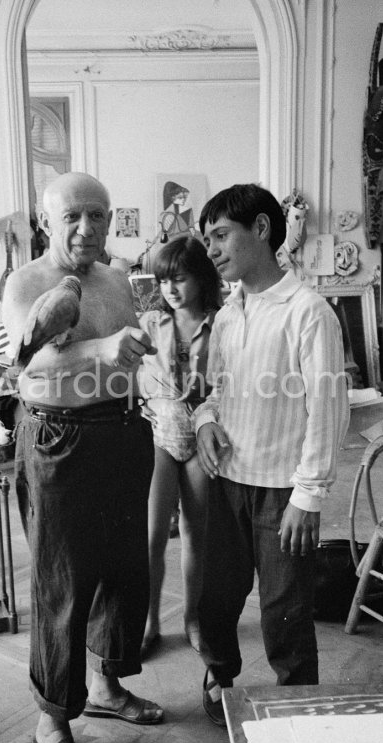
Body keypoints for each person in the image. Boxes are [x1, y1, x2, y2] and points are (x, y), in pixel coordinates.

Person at [2, 171, 163, 743]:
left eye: (97, 214)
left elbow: (126, 344)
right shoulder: (25, 282)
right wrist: (101, 350)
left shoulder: (119, 280)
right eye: (73, 216)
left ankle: (106, 684)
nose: (87, 227)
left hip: (123, 431)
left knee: (123, 570)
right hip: (59, 439)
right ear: (48, 221)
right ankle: (52, 722)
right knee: (63, 581)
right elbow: (30, 360)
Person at [194, 183, 349, 726]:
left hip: (282, 490)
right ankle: (219, 673)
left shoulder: (308, 312)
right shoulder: (229, 313)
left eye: (220, 235)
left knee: (285, 610)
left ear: (261, 228)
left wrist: (307, 497)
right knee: (215, 598)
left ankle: (296, 700)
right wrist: (207, 421)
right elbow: (215, 391)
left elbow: (328, 409)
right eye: (206, 238)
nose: (211, 249)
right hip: (227, 483)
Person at [137, 236, 221, 659]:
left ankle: (193, 619)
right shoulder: (151, 322)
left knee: (195, 534)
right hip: (159, 433)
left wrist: (209, 387)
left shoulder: (221, 323)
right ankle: (150, 619)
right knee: (152, 534)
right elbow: (124, 366)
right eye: (164, 280)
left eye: (180, 279)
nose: (170, 288)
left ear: (201, 278)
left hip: (201, 433)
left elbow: (231, 378)